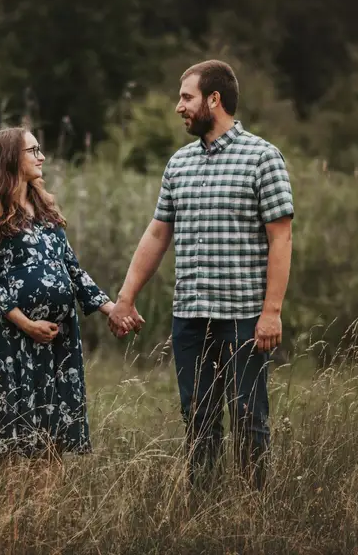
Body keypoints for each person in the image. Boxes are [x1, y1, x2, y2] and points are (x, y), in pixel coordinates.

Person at [108, 60, 294, 490]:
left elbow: (281, 239)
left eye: (186, 97)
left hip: (244, 316)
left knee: (249, 415)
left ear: (214, 100)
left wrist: (272, 312)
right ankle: (202, 507)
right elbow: (157, 234)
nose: (179, 107)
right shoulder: (179, 164)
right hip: (190, 316)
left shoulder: (262, 158)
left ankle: (251, 508)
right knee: (197, 414)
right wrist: (125, 297)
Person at [0, 127, 138, 470]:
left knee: (52, 435)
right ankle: (2, 514)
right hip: (14, 341)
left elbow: (73, 271)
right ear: (12, 158)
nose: (41, 156)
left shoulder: (45, 211)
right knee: (7, 437)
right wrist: (27, 324)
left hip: (58, 341)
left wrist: (112, 308)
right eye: (33, 150)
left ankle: (45, 512)